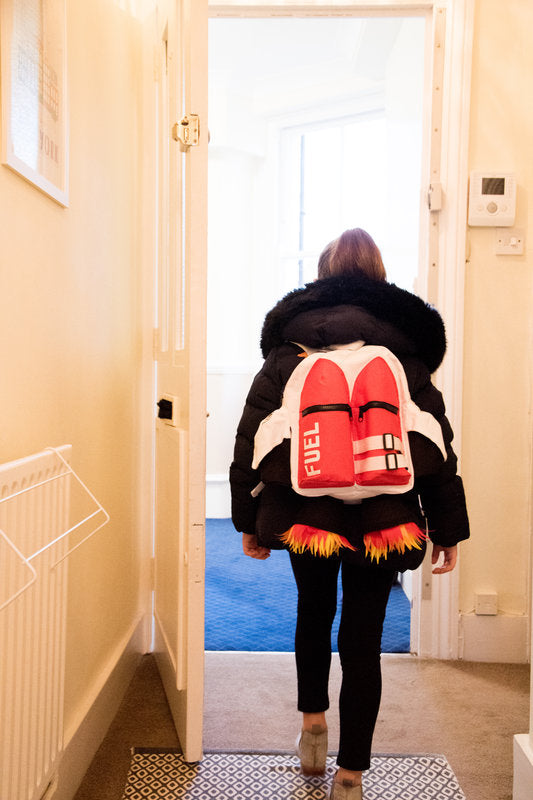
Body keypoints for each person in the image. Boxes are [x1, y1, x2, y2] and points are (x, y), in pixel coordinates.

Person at [229, 228, 469, 800]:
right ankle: (352, 775)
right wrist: (447, 529)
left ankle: (313, 726)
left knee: (313, 612)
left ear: (322, 276)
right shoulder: (405, 354)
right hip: (386, 522)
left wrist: (247, 520)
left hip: (307, 515)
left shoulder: (290, 351)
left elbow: (249, 441)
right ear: (381, 278)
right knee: (363, 637)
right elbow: (436, 447)